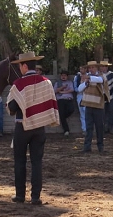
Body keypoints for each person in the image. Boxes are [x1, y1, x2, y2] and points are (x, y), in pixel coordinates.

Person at [7, 51, 59, 205]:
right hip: (39, 127)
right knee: (37, 162)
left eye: (20, 66)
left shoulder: (19, 84)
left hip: (22, 126)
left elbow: (12, 107)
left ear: (24, 66)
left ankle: (20, 196)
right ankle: (35, 197)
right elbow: (51, 102)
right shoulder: (46, 82)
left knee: (20, 161)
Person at [78, 60, 110, 153]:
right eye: (90, 68)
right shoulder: (87, 77)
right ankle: (87, 147)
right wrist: (86, 82)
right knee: (89, 127)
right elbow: (80, 88)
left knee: (99, 127)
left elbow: (100, 80)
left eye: (93, 67)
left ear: (96, 68)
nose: (91, 69)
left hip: (98, 106)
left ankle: (100, 147)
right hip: (88, 105)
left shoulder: (101, 75)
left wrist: (88, 78)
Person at [53, 70, 76, 136]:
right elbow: (55, 91)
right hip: (61, 100)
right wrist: (62, 87)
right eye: (62, 75)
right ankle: (66, 130)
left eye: (65, 76)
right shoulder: (58, 83)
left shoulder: (70, 82)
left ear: (67, 76)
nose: (63, 77)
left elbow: (72, 90)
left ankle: (63, 117)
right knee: (61, 114)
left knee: (71, 110)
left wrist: (63, 92)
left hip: (68, 99)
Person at [100, 59, 113, 134]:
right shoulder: (98, 75)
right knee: (103, 113)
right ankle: (104, 128)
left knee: (111, 111)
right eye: (102, 66)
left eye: (105, 66)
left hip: (111, 95)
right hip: (102, 96)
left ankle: (110, 128)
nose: (103, 68)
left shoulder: (112, 74)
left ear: (107, 67)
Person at [73, 64, 88, 136]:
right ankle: (84, 129)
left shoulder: (89, 76)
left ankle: (89, 128)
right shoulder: (77, 77)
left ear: (86, 69)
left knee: (88, 112)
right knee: (82, 112)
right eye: (80, 69)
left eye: (83, 69)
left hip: (88, 95)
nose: (81, 70)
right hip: (80, 95)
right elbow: (75, 87)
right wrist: (80, 89)